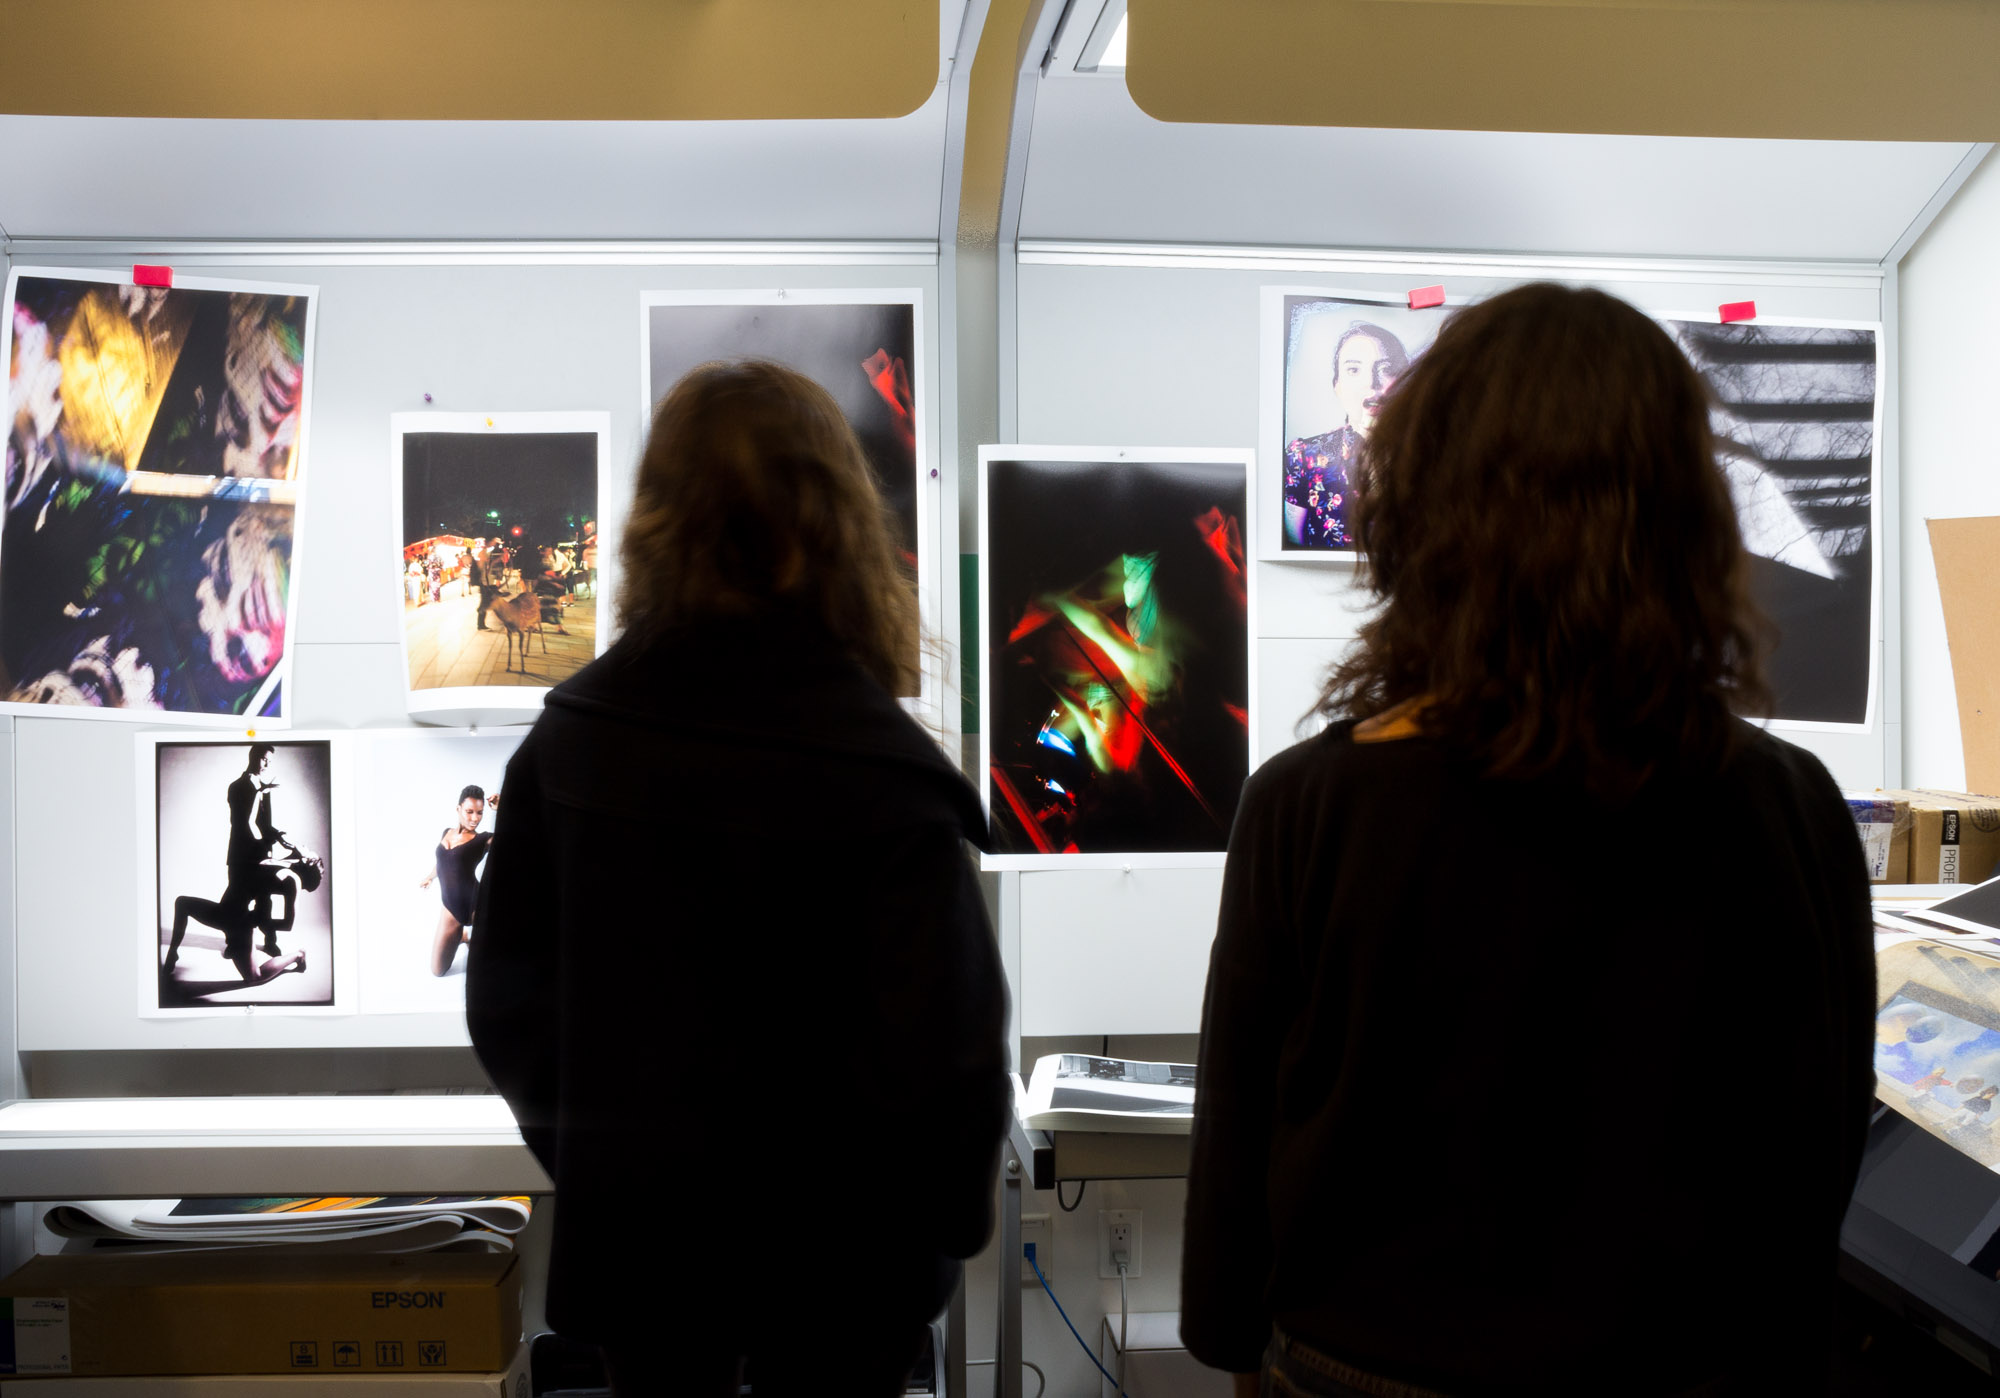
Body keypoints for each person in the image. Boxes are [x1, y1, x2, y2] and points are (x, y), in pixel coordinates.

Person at [1183, 284, 1875, 1396]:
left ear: (1414, 505)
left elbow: (1233, 1174)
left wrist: (1232, 1347)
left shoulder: (1306, 806)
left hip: (1355, 1372)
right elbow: (1809, 1168)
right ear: (1685, 518)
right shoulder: (1784, 807)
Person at [467, 360, 1008, 1397]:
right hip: (853, 1278)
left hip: (641, 1259)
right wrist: (932, 1239)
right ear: (836, 521)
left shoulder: (571, 748)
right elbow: (948, 1055)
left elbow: (507, 1011)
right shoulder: (883, 768)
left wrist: (598, 1163)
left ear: (654, 518)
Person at [1282, 321, 1409, 550]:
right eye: (1353, 369)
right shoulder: (1302, 456)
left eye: (1385, 369)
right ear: (1337, 386)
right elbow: (1293, 547)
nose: (1371, 382)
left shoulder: (1435, 459)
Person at [418, 784, 496, 976]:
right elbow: (444, 863)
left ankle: (473, 939)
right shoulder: (446, 832)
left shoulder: (483, 840)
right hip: (450, 910)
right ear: (458, 809)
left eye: (480, 813)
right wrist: (430, 876)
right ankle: (463, 936)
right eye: (469, 812)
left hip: (476, 905)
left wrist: (504, 808)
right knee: (438, 971)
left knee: (492, 968)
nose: (475, 818)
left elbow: (514, 838)